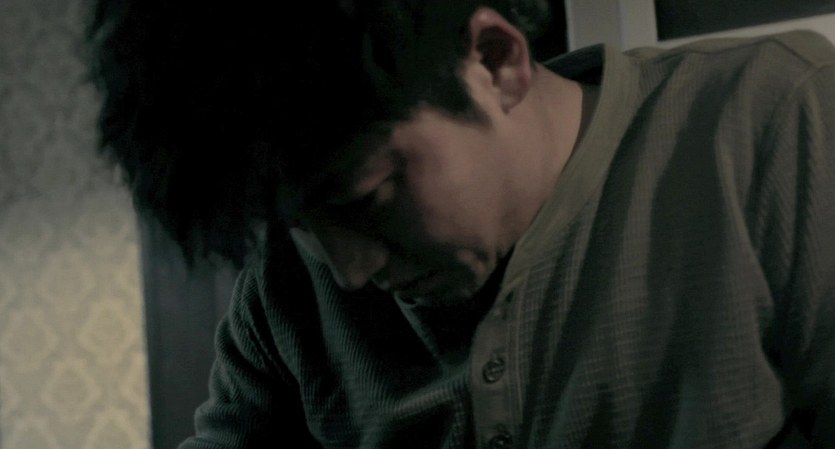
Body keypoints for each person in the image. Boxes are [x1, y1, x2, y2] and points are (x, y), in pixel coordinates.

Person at [86, 0, 835, 447]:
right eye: (300, 226)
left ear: (495, 60)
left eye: (369, 197)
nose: (347, 271)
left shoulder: (772, 121)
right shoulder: (286, 285)